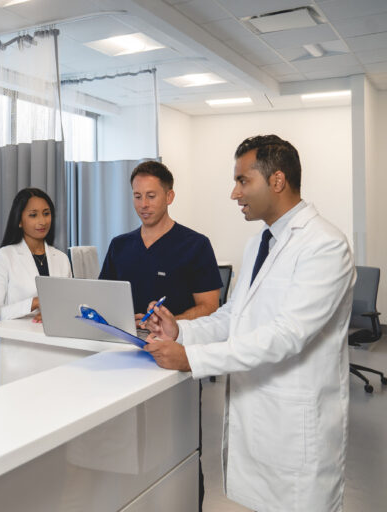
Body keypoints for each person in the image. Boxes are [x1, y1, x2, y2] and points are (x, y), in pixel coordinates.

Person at [143, 135, 355, 511]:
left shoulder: (325, 244)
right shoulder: (260, 241)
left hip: (295, 424)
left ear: (277, 181)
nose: (234, 193)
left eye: (243, 180)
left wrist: (192, 359)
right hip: (258, 415)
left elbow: (287, 335)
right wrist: (183, 330)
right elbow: (234, 315)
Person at [99, 161, 222, 322]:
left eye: (151, 196)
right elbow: (103, 299)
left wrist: (169, 324)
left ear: (169, 197)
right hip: (127, 338)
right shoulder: (119, 245)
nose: (143, 204)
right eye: (137, 196)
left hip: (176, 342)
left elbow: (209, 307)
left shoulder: (196, 245)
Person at [0, 188, 72, 386]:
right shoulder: (3, 257)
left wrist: (56, 312)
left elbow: (69, 307)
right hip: (17, 358)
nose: (42, 221)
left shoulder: (62, 259)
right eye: (33, 215)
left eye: (46, 213)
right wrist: (33, 303)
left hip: (58, 355)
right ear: (20, 220)